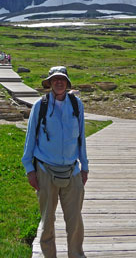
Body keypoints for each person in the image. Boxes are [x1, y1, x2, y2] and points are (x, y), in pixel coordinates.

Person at [22, 66, 88, 258]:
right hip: (45, 170)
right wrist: (29, 169)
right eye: (55, 79)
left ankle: (76, 255)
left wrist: (85, 166)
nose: (59, 82)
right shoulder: (39, 106)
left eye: (62, 79)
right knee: (47, 221)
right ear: (49, 83)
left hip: (72, 170)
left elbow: (81, 138)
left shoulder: (77, 106)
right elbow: (30, 139)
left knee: (75, 221)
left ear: (67, 83)